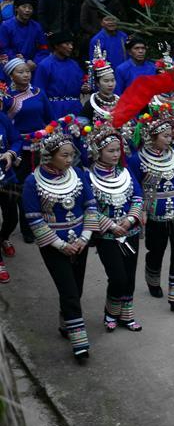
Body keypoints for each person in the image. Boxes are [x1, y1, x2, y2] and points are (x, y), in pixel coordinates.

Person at [21, 117, 98, 362]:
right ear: (49, 155)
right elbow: (34, 220)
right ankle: (80, 343)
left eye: (70, 155)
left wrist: (84, 238)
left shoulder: (77, 174)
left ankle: (66, 324)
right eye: (64, 155)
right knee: (69, 291)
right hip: (54, 245)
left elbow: (91, 207)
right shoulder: (32, 182)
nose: (69, 159)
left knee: (76, 287)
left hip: (80, 242)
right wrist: (61, 245)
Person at [128, 104, 174, 318]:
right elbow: (136, 189)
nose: (171, 139)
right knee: (156, 250)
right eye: (166, 136)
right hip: (155, 213)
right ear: (152, 136)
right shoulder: (137, 159)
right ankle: (152, 279)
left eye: (171, 135)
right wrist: (139, 212)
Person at [87, 121, 143, 333]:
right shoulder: (89, 177)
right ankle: (110, 313)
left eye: (118, 150)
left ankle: (126, 315)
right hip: (107, 237)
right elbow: (90, 208)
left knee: (129, 275)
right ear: (98, 152)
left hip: (130, 232)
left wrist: (129, 221)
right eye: (110, 150)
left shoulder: (126, 173)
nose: (115, 154)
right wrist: (111, 225)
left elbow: (138, 198)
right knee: (117, 276)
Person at [2, 57, 53, 246]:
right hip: (18, 150)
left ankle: (42, 222)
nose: (25, 75)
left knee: (41, 185)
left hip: (40, 147)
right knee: (22, 189)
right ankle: (26, 227)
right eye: (20, 72)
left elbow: (50, 119)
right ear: (11, 75)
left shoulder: (39, 93)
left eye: (27, 71)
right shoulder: (6, 98)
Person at [33, 31, 89, 119]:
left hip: (75, 108)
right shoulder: (44, 65)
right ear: (56, 46)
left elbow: (81, 82)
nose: (71, 47)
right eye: (67, 44)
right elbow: (39, 91)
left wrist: (85, 88)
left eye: (71, 44)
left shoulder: (74, 64)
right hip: (54, 109)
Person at [0, 105, 23, 282]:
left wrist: (10, 153)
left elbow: (17, 139)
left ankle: (3, 237)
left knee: (11, 219)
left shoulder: (3, 118)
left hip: (6, 178)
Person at [0, 0, 49, 70]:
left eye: (30, 8)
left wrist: (35, 62)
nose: (27, 10)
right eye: (24, 7)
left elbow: (43, 48)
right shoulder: (5, 26)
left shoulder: (37, 27)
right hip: (12, 65)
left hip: (33, 65)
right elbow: (4, 49)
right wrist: (22, 61)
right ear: (16, 8)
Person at [79, 46, 119, 124]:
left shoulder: (119, 101)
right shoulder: (91, 104)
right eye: (106, 81)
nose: (110, 84)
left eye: (113, 80)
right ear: (98, 83)